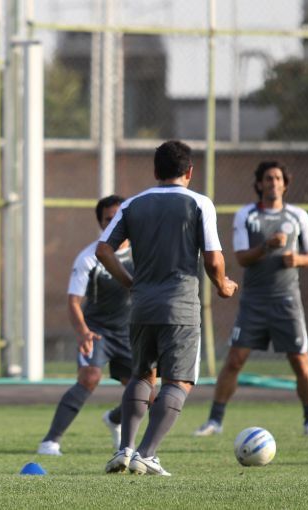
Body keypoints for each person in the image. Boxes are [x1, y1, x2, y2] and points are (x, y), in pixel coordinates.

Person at [97, 140, 238, 476]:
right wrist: (222, 285)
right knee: (179, 381)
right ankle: (146, 453)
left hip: (142, 306)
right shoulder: (199, 203)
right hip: (180, 307)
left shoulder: (132, 204)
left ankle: (125, 450)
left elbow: (103, 250)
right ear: (189, 171)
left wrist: (130, 283)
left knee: (142, 376)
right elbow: (213, 258)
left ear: (155, 171)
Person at [194, 161, 308, 438]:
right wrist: (266, 246)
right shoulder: (246, 215)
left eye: (278, 178)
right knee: (234, 361)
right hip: (253, 301)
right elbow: (241, 257)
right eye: (268, 178)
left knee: (300, 361)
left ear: (284, 184)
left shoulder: (298, 216)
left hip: (287, 300)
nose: (273, 182)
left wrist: (297, 259)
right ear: (259, 184)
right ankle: (215, 421)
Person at [37, 195, 156, 457]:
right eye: (108, 219)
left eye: (119, 217)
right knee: (90, 377)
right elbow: (73, 301)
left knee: (147, 394)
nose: (114, 223)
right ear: (101, 223)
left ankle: (114, 419)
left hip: (131, 333)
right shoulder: (90, 257)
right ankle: (50, 441)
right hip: (98, 331)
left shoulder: (144, 252)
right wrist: (82, 332)